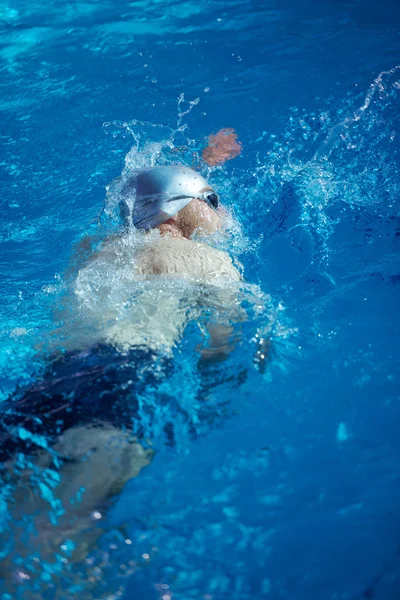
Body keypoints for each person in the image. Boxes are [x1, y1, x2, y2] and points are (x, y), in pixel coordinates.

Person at [1, 128, 267, 594]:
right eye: (215, 200)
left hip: (46, 378)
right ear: (183, 209)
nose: (223, 212)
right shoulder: (206, 261)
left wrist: (201, 168)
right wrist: (215, 387)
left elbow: (147, 190)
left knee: (21, 486)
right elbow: (223, 341)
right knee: (62, 535)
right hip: (121, 378)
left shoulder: (91, 251)